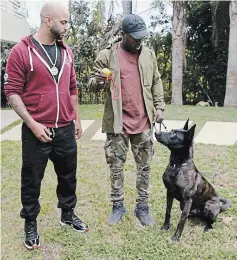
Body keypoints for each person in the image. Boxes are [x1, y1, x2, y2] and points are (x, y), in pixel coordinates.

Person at [4, 1, 88, 250]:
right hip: (36, 131)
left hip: (64, 128)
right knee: (31, 180)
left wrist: (77, 120)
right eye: (64, 22)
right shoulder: (22, 51)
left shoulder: (67, 52)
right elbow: (12, 92)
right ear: (48, 20)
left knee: (68, 176)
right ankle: (30, 223)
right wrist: (32, 124)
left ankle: (67, 213)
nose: (67, 26)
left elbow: (73, 88)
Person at [91, 14, 165, 226]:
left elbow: (156, 80)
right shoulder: (107, 55)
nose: (139, 41)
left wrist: (159, 106)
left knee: (145, 167)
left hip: (143, 122)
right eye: (135, 37)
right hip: (118, 123)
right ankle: (117, 205)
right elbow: (92, 85)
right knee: (116, 166)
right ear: (124, 35)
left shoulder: (149, 54)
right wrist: (99, 81)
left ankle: (142, 207)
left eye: (142, 37)